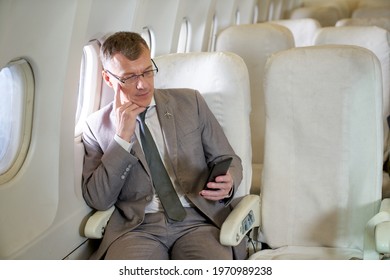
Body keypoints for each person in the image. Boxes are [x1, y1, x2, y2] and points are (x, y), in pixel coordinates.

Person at [82, 31, 246, 260]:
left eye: (147, 71)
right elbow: (99, 198)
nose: (142, 84)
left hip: (198, 220)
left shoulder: (191, 103)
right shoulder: (95, 127)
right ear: (109, 79)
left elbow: (228, 158)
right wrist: (121, 138)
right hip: (137, 229)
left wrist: (229, 181)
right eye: (129, 77)